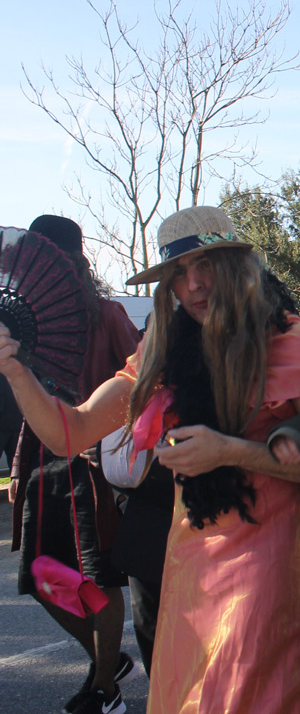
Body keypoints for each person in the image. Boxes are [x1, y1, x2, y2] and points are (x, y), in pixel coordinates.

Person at [0, 206, 300, 714]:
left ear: (236, 267)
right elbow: (68, 432)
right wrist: (15, 369)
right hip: (191, 555)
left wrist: (233, 451)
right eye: (179, 274)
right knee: (186, 695)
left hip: (265, 554)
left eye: (205, 265)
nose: (194, 284)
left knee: (246, 694)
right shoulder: (162, 348)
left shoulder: (289, 340)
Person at [5, 215, 138, 714]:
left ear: (74, 263)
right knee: (42, 579)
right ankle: (108, 660)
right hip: (43, 462)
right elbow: (32, 405)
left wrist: (112, 440)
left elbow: (145, 386)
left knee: (99, 578)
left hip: (95, 464)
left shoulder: (107, 314)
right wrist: (20, 466)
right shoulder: (24, 324)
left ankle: (104, 688)